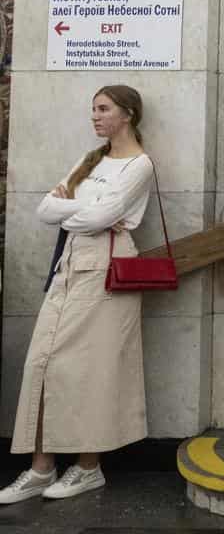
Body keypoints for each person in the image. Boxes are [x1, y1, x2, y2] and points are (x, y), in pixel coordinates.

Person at [0, 86, 153, 504]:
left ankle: (88, 469)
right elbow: (45, 210)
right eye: (93, 110)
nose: (95, 117)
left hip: (107, 271)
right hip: (71, 265)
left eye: (103, 109)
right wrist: (83, 212)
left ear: (128, 114)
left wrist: (78, 208)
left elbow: (102, 215)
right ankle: (39, 468)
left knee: (93, 370)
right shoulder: (91, 160)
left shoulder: (139, 165)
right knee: (43, 363)